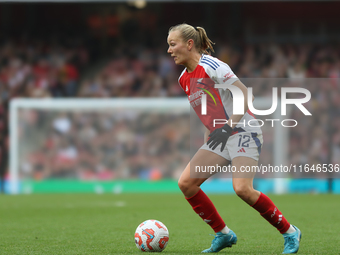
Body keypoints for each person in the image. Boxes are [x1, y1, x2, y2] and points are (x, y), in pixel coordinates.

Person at [167, 23, 301, 254]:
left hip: (242, 130)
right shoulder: (183, 78)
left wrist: (227, 127)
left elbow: (244, 94)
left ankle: (290, 232)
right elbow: (208, 109)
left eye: (172, 44)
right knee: (186, 184)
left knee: (242, 189)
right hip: (220, 137)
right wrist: (210, 135)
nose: (169, 50)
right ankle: (224, 234)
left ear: (189, 44)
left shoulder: (213, 66)